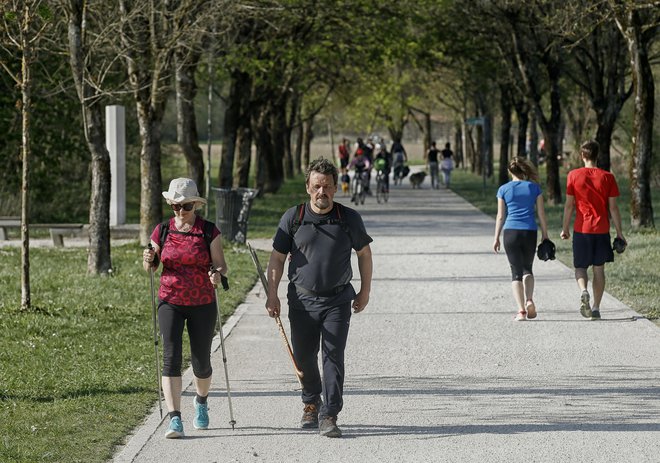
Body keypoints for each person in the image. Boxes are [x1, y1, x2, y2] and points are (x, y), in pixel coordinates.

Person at [265, 157, 373, 438]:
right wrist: (271, 294)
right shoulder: (294, 217)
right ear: (307, 187)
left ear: (336, 188)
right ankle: (311, 401)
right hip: (301, 301)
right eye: (316, 186)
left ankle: (330, 414)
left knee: (333, 356)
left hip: (337, 300)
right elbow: (277, 258)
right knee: (303, 356)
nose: (321, 192)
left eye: (327, 187)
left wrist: (365, 290)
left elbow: (364, 254)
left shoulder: (348, 218)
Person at [142, 178, 228, 438]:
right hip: (170, 300)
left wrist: (217, 275)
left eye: (186, 206)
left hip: (202, 302)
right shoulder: (162, 231)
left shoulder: (208, 231)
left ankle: (201, 401)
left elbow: (221, 266)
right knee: (171, 357)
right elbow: (151, 266)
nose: (181, 212)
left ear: (195, 205)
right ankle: (174, 418)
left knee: (202, 363)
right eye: (176, 206)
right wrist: (148, 259)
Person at [561, 140, 626, 320]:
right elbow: (613, 208)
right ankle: (596, 308)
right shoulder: (608, 177)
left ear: (582, 155)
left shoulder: (573, 175)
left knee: (580, 267)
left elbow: (569, 206)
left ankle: (583, 290)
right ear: (598, 155)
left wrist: (565, 228)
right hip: (601, 229)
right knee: (599, 270)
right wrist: (619, 233)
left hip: (582, 229)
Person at [493, 158, 549, 321]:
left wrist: (496, 237)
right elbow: (541, 214)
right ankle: (529, 299)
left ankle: (521, 311)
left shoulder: (503, 189)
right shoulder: (534, 188)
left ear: (510, 172)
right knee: (528, 269)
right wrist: (545, 234)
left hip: (511, 232)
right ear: (524, 170)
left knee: (515, 272)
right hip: (529, 232)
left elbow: (500, 216)